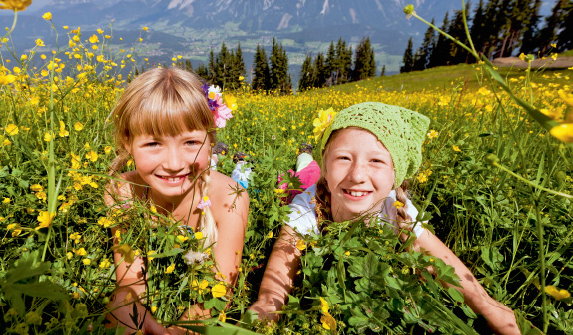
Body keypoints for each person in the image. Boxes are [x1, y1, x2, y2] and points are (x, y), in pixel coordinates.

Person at [249, 102, 520, 335]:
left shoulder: (396, 207)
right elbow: (274, 288)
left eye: (376, 161)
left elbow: (445, 263)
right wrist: (265, 311)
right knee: (299, 175)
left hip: (331, 182)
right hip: (311, 183)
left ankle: (306, 154)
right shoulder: (306, 208)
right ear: (328, 167)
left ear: (394, 175)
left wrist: (489, 307)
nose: (357, 175)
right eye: (343, 157)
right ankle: (306, 155)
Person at [104, 68, 250, 335]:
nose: (174, 164)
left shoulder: (230, 198)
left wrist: (175, 332)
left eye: (191, 142)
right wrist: (130, 314)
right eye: (153, 144)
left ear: (211, 142)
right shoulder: (122, 191)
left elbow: (219, 293)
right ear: (128, 142)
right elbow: (130, 284)